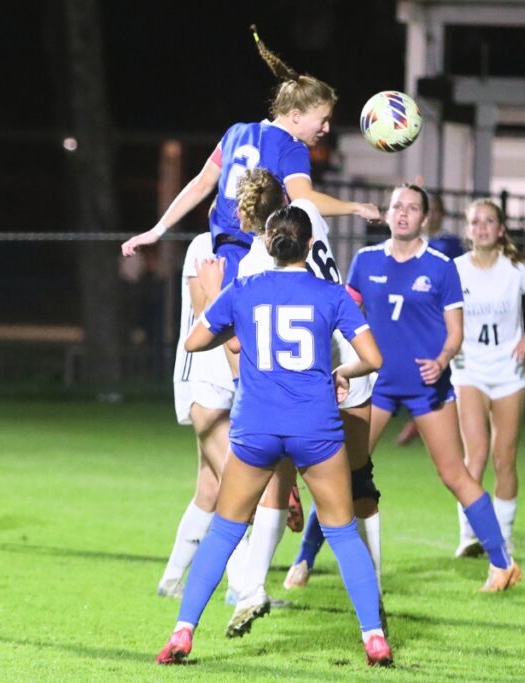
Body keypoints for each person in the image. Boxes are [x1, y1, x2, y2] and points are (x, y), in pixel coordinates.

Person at [156, 204, 391, 667]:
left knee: (224, 531)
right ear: (310, 245)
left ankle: (183, 633)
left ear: (267, 244)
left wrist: (220, 312)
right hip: (316, 427)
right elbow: (374, 358)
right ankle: (374, 638)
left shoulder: (243, 289)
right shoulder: (331, 295)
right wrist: (341, 370)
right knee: (344, 533)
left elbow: (194, 342)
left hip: (256, 426)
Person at [201, 169, 383, 637]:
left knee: (268, 494)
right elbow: (309, 200)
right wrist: (356, 208)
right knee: (354, 490)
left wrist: (208, 299)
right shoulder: (311, 225)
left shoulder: (251, 267)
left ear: (255, 225)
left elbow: (233, 344)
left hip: (286, 393)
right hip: (336, 368)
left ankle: (249, 588)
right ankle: (371, 610)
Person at [346, 183, 522, 592]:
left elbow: (455, 333)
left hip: (427, 390)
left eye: (412, 208)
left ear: (426, 218)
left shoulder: (442, 267)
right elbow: (346, 314)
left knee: (454, 474)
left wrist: (441, 360)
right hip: (378, 385)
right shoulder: (364, 260)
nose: (403, 213)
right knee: (346, 469)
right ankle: (303, 562)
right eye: (396, 207)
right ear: (388, 214)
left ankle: (502, 563)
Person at [121, 25, 378, 286]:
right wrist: (356, 207)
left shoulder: (236, 132)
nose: (326, 128)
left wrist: (157, 231)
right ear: (296, 116)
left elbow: (200, 185)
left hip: (218, 254)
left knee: (207, 325)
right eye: (322, 120)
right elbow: (305, 201)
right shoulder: (292, 148)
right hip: (256, 259)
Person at [451, 199, 525, 557]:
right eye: (475, 222)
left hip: (508, 372)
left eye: (489, 221)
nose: (482, 227)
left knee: (504, 457)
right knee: (476, 454)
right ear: (468, 231)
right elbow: (437, 314)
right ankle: (469, 534)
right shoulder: (455, 270)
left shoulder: (515, 268)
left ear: (500, 229)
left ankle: (505, 536)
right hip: (469, 369)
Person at [156, 229, 250, 599]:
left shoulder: (257, 249)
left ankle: (171, 580)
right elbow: (203, 313)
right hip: (204, 380)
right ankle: (242, 588)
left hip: (234, 379)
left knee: (210, 489)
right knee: (240, 486)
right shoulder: (204, 245)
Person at [395, 192, 463, 446]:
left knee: (443, 371)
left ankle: (427, 422)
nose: (431, 214)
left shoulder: (451, 244)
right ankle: (420, 420)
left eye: (436, 209)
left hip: (442, 318)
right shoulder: (408, 243)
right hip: (412, 319)